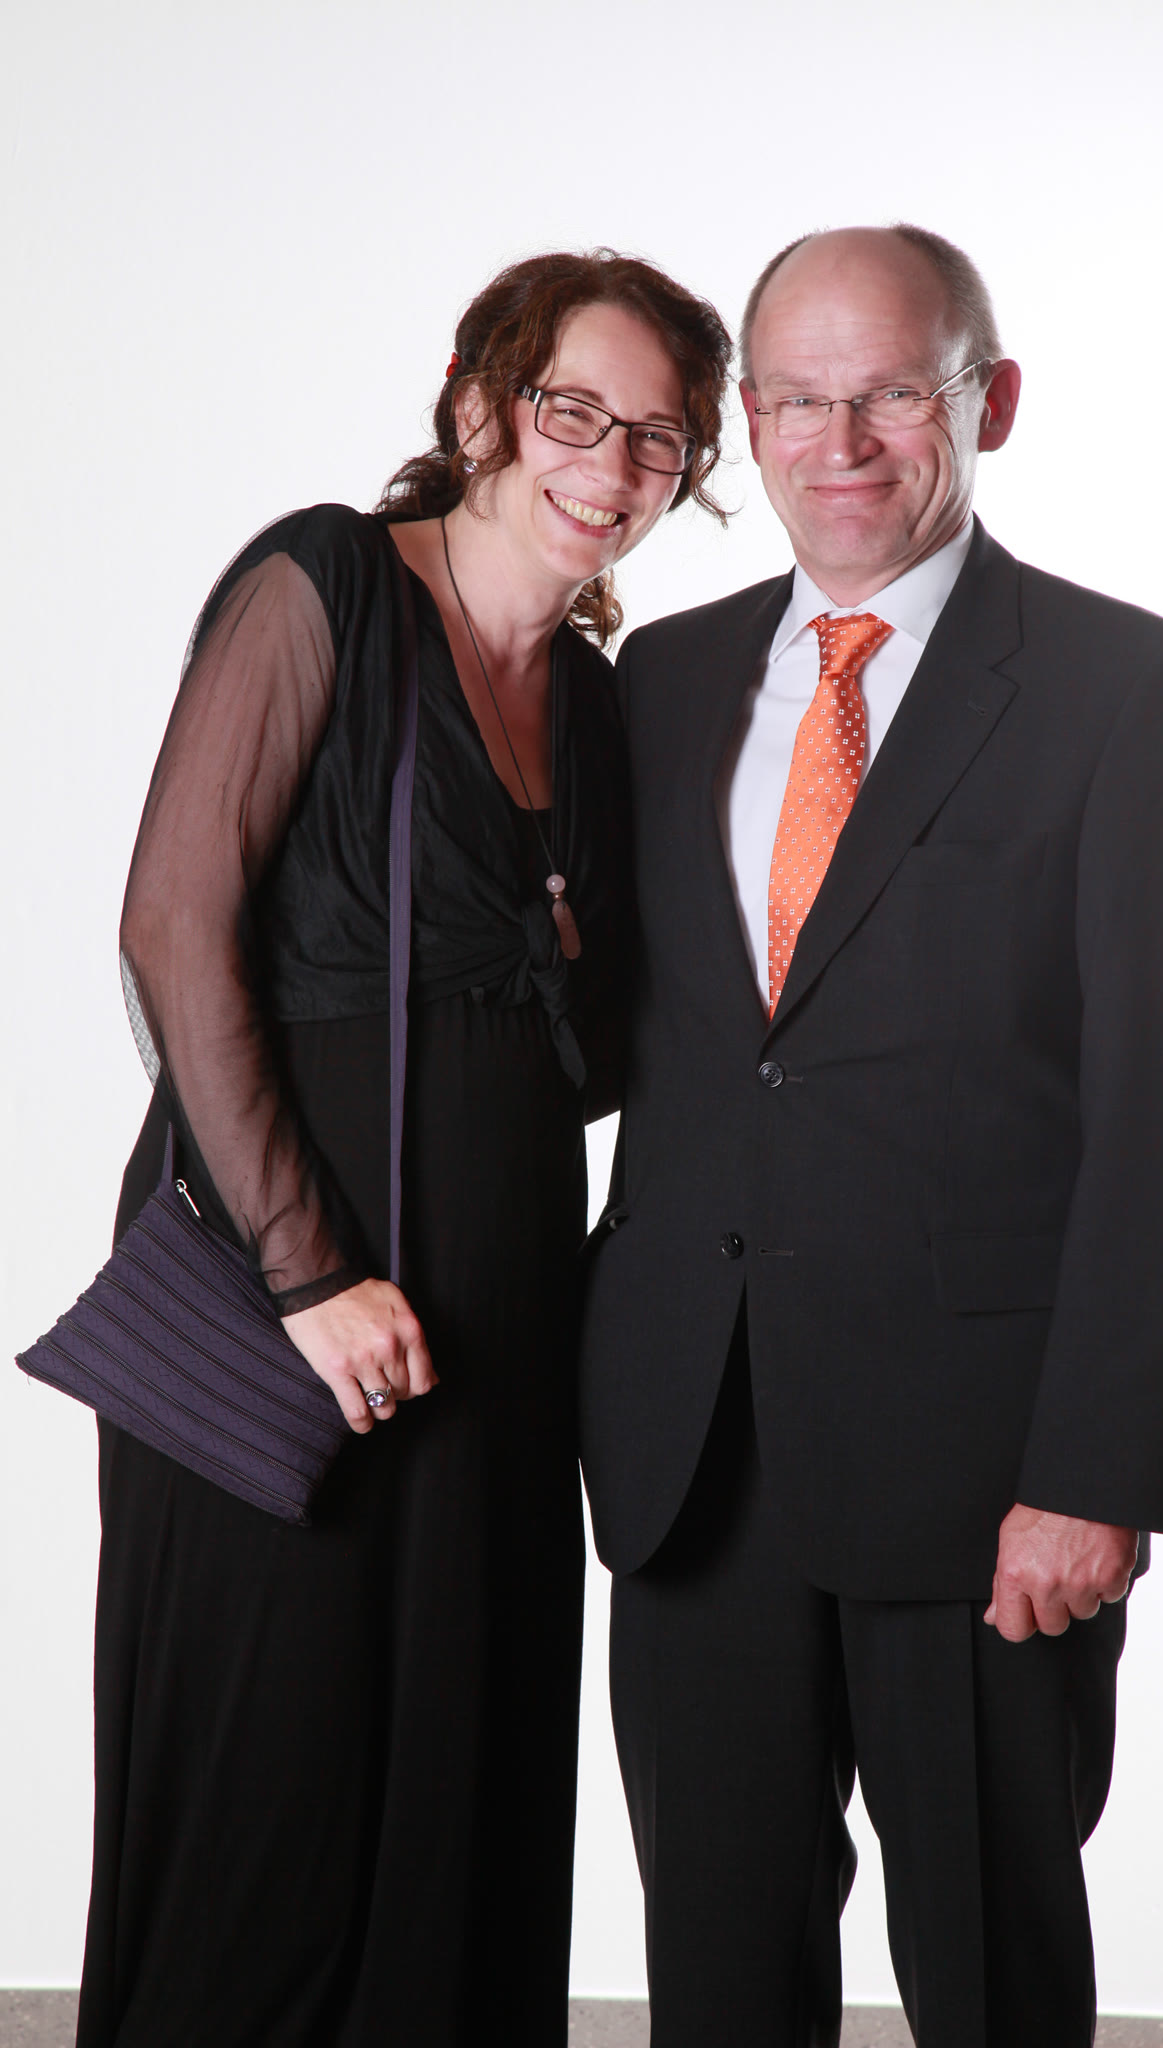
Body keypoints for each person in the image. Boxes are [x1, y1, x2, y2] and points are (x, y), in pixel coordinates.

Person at [579, 224, 1163, 2048]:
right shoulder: (658, 681)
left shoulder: (1129, 690)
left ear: (990, 400)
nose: (842, 443)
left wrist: (1100, 1473)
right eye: (799, 399)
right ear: (747, 417)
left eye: (891, 393)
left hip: (984, 1479)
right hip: (690, 1451)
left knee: (987, 1970)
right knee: (717, 1969)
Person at [76, 248, 730, 2048]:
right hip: (289, 1301)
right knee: (267, 1803)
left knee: (462, 1796)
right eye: (575, 411)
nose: (612, 465)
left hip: (501, 1322)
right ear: (479, 409)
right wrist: (309, 1275)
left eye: (660, 439)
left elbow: (582, 1057)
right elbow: (172, 925)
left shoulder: (592, 701)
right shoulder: (329, 585)